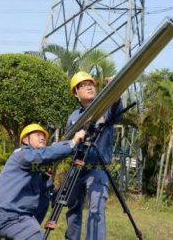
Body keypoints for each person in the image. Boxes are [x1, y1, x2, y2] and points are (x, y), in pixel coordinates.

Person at [0, 123, 86, 240]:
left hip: (16, 218)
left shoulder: (33, 167)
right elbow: (45, 155)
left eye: (44, 136)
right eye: (37, 134)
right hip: (11, 217)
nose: (42, 137)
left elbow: (42, 196)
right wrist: (72, 143)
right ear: (25, 139)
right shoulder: (22, 154)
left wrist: (47, 181)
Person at [65, 71, 123, 240]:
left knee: (96, 210)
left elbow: (118, 112)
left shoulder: (106, 107)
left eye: (91, 84)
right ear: (76, 94)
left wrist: (115, 91)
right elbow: (69, 142)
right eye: (83, 85)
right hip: (76, 167)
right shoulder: (73, 117)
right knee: (73, 208)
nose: (89, 87)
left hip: (97, 168)